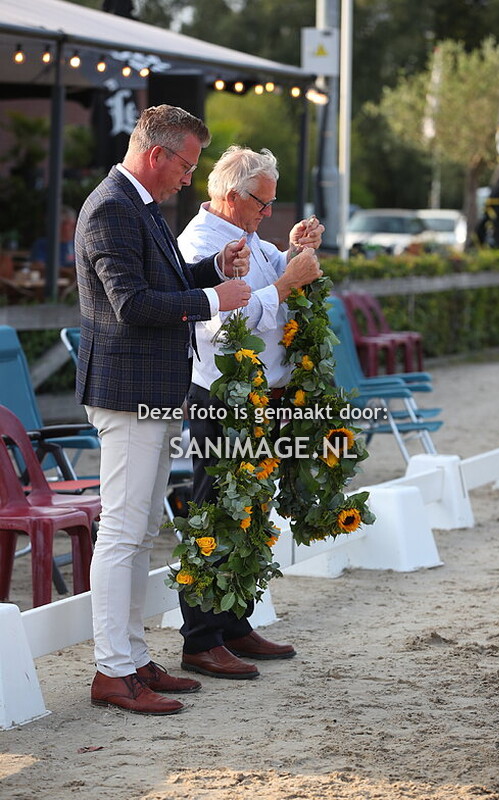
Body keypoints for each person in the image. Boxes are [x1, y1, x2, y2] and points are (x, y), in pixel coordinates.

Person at [75, 105, 252, 715]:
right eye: (187, 165)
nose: (189, 178)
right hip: (126, 391)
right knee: (122, 534)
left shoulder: (140, 205)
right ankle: (111, 670)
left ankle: (131, 657)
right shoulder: (110, 208)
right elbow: (131, 304)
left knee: (143, 531)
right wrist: (213, 298)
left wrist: (210, 270)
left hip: (150, 389)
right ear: (157, 154)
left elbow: (164, 282)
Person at [176, 145, 324, 680]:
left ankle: (235, 622)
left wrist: (292, 253)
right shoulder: (199, 243)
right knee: (214, 512)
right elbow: (223, 322)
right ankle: (200, 638)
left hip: (259, 394)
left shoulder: (249, 235)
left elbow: (268, 285)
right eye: (262, 204)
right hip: (222, 394)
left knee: (251, 510)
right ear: (232, 196)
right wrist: (286, 282)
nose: (268, 212)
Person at [31, 206, 77, 272]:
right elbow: (38, 266)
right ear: (57, 225)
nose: (74, 227)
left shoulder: (77, 245)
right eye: (70, 224)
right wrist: (67, 271)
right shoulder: (43, 244)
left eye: (74, 223)